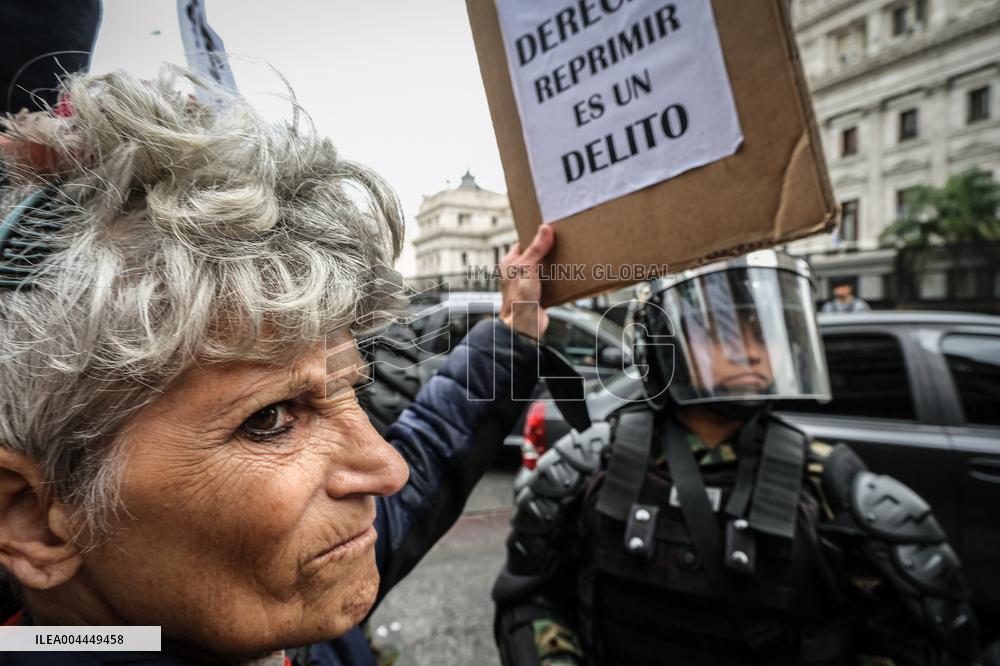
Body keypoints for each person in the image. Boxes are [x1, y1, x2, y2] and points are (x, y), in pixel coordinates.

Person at [0, 67, 554, 665]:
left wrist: (513, 332)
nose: (386, 468)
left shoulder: (265, 601)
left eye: (352, 390)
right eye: (270, 418)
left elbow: (427, 455)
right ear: (36, 520)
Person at [493, 250, 981, 665]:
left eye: (764, 333)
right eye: (721, 332)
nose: (751, 353)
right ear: (662, 346)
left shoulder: (838, 493)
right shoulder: (586, 467)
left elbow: (920, 644)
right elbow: (529, 600)